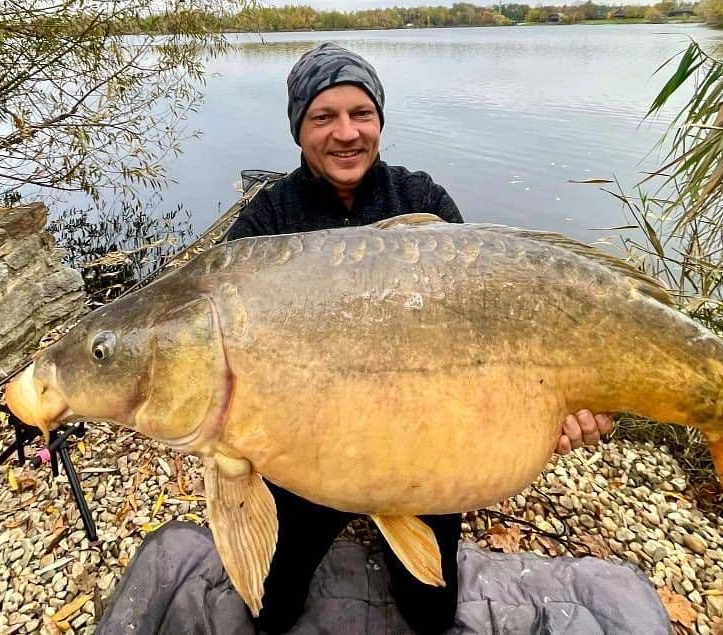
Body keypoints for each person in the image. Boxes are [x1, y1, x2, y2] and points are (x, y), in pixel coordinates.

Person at [225, 43, 615, 634]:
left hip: (421, 451)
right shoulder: (265, 224)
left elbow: (487, 338)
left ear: (380, 121)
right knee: (271, 611)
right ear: (298, 130)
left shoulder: (422, 201)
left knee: (431, 615)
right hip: (307, 456)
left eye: (362, 114)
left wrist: (554, 404)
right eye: (323, 118)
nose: (346, 133)